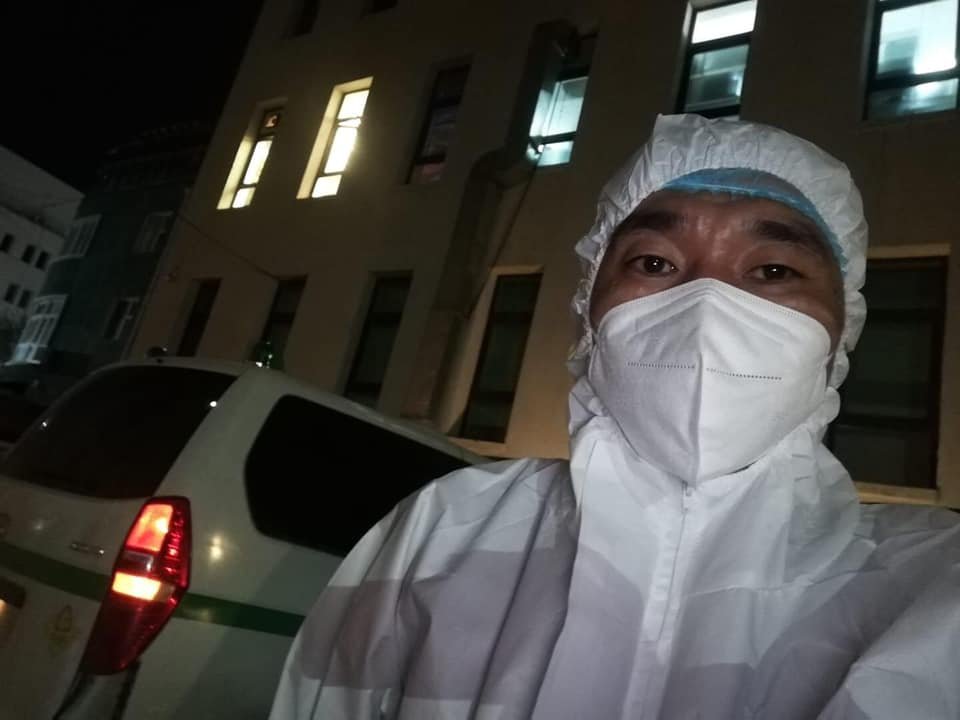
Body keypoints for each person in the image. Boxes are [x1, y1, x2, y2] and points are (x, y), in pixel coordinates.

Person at [270, 114, 960, 719]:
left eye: (774, 271)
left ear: (841, 331)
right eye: (654, 262)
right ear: (590, 314)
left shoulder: (933, 596)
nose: (707, 307)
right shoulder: (440, 530)